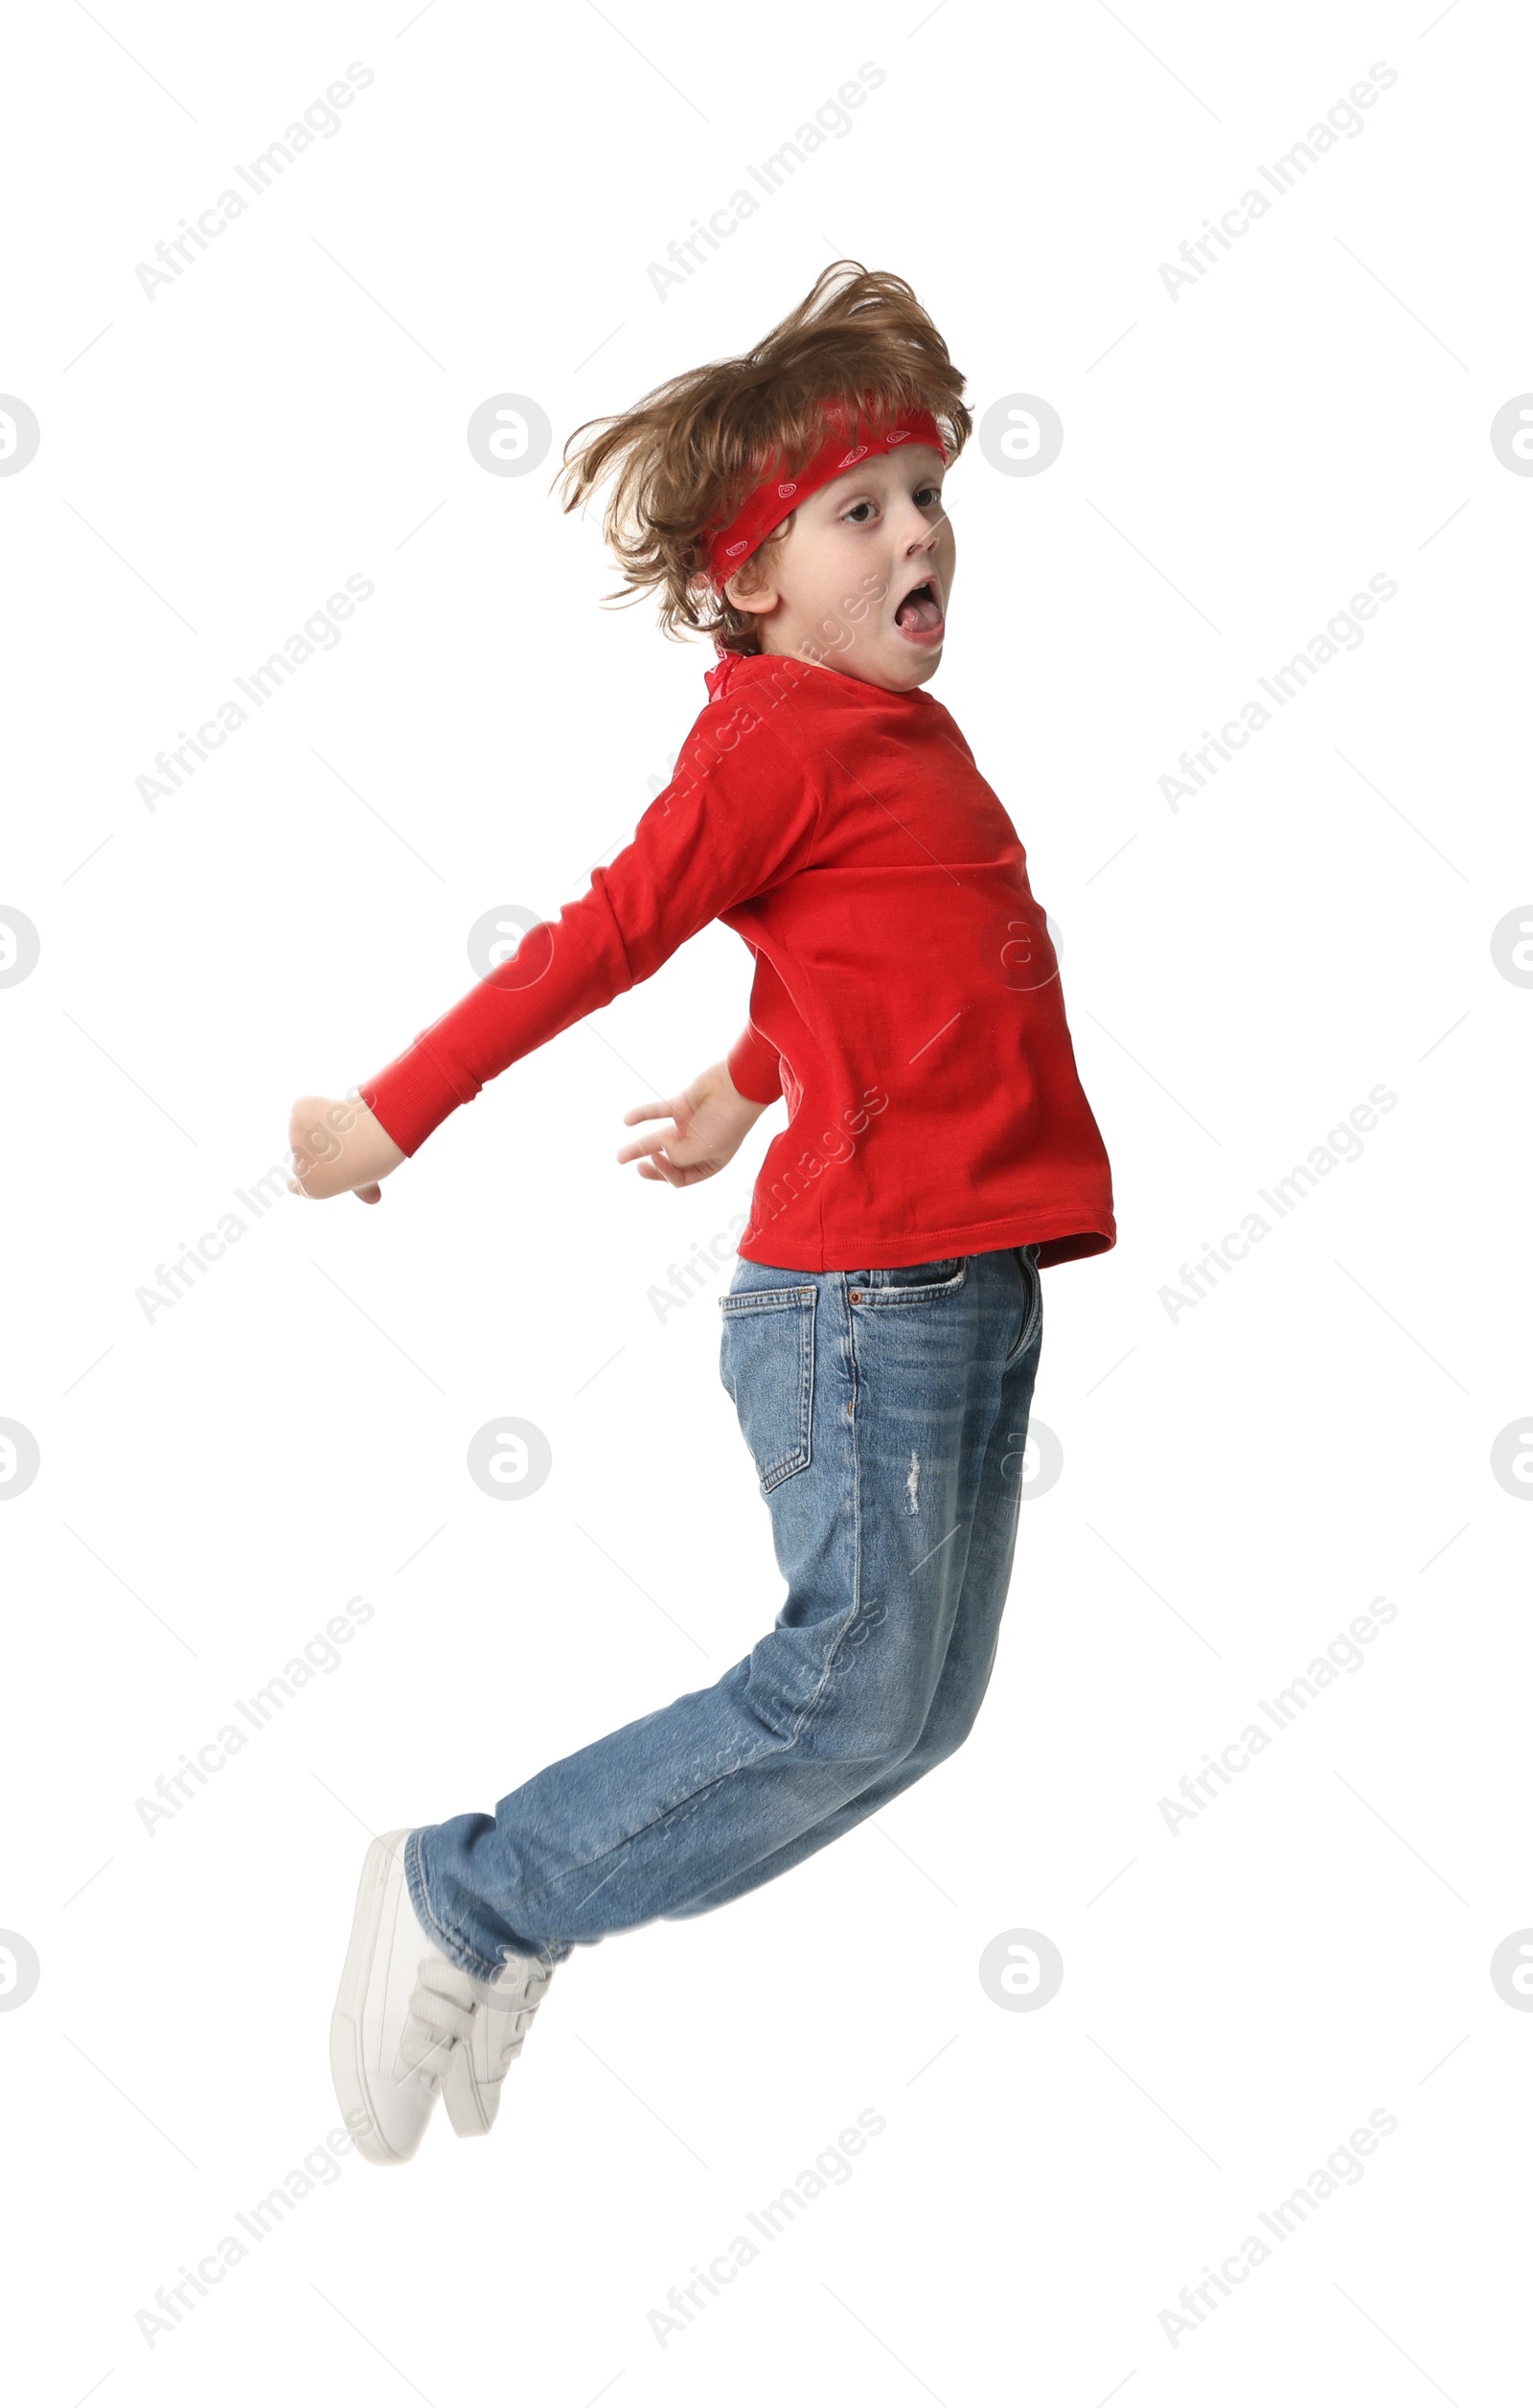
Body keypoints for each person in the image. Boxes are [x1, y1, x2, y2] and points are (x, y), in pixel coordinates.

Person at [289, 262, 1115, 2167]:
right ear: (749, 578)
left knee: (911, 1717)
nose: (919, 531)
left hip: (965, 1281)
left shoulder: (894, 738)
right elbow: (599, 938)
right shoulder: (762, 742)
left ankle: (523, 1909)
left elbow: (867, 956)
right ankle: (469, 1894)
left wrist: (749, 1084)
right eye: (859, 510)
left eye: (926, 493)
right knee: (842, 1686)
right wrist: (386, 1112)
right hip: (865, 1302)